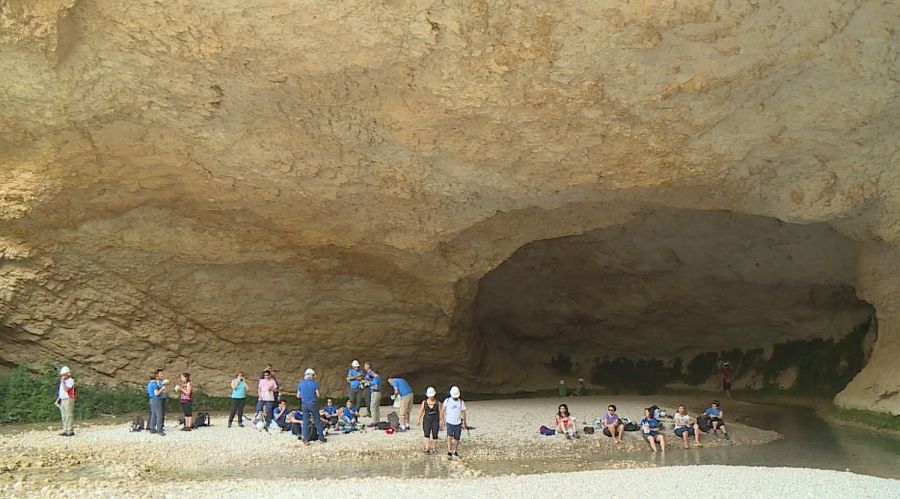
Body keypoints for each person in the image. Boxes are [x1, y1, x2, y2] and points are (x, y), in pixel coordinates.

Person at [297, 368, 326, 445]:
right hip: (313, 403)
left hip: (304, 404)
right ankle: (321, 438)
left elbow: (298, 396)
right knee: (317, 420)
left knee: (305, 422)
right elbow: (318, 394)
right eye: (313, 375)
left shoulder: (300, 384)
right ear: (311, 375)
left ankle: (306, 439)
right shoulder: (315, 384)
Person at [442, 386, 467, 458]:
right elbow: (443, 410)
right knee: (449, 436)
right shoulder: (447, 400)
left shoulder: (461, 402)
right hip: (449, 422)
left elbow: (463, 412)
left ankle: (455, 450)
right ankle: (449, 450)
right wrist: (442, 420)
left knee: (457, 437)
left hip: (458, 422)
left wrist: (464, 422)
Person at [417, 387, 442, 454]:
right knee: (426, 433)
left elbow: (441, 412)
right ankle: (427, 447)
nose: (431, 397)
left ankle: (434, 448)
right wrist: (418, 419)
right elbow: (421, 411)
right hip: (427, 420)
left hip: (435, 420)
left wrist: (442, 421)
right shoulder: (424, 402)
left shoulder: (437, 403)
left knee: (435, 434)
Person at [54, 366, 77, 437]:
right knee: (63, 415)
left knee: (68, 415)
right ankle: (65, 430)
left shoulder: (71, 380)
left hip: (69, 399)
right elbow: (61, 392)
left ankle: (70, 431)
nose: (63, 376)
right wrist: (57, 400)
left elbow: (66, 389)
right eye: (62, 375)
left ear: (68, 374)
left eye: (64, 374)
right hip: (63, 399)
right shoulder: (62, 382)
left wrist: (63, 382)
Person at [147, 369, 168, 436]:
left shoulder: (149, 383)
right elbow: (156, 393)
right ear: (155, 377)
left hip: (151, 400)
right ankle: (160, 430)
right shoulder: (154, 384)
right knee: (159, 415)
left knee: (153, 414)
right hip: (156, 400)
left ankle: (152, 428)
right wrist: (162, 389)